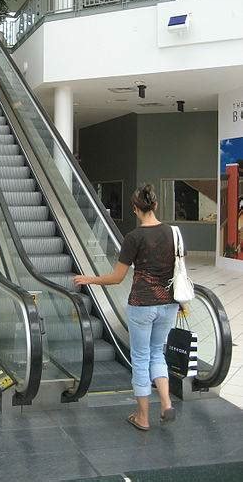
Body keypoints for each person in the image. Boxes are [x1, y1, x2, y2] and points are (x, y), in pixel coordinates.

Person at [74, 184, 179, 431]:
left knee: (141, 357)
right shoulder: (173, 233)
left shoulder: (134, 238)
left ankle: (143, 417)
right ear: (155, 205)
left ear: (135, 209)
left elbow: (117, 278)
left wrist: (88, 279)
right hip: (169, 303)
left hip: (142, 305)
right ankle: (166, 403)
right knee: (157, 353)